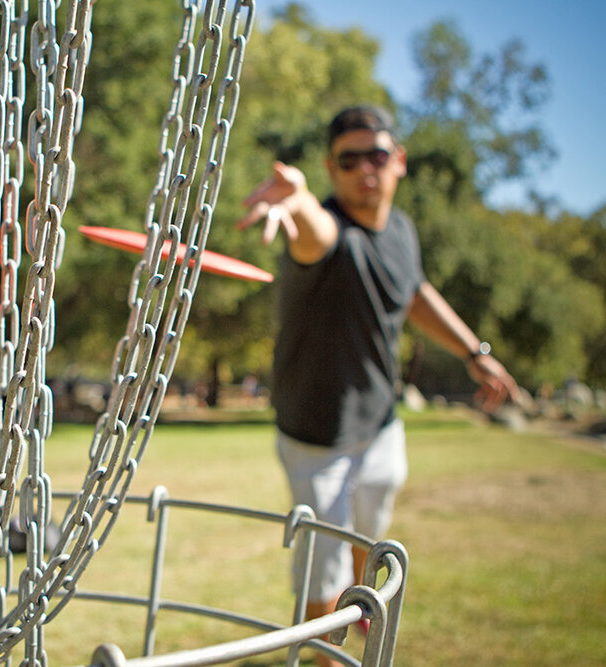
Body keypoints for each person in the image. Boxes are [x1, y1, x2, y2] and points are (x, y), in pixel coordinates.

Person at [236, 105, 521, 666]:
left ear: (400, 162)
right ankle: (326, 654)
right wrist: (295, 201)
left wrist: (474, 352)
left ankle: (358, 605)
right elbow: (315, 235)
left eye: (377, 155)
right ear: (331, 169)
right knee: (324, 567)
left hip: (381, 425)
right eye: (349, 159)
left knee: (371, 537)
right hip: (317, 438)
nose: (365, 168)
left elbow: (412, 292)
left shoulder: (402, 232)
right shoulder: (324, 229)